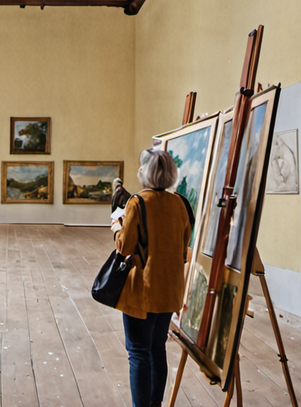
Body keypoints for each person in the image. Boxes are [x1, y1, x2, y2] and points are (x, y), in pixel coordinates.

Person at [110, 148, 192, 407]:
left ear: (146, 172)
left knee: (138, 353)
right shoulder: (180, 203)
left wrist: (116, 226)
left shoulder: (138, 202)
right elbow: (183, 248)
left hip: (142, 292)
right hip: (170, 290)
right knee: (157, 349)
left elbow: (124, 247)